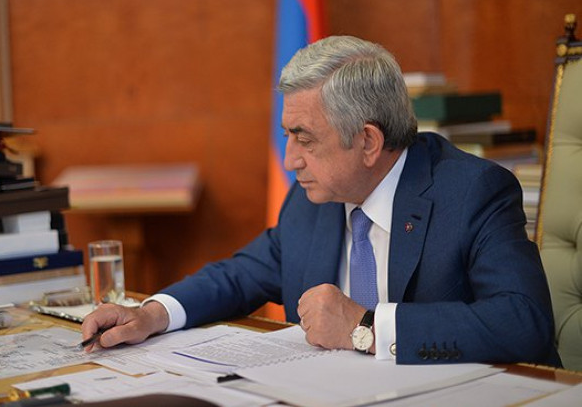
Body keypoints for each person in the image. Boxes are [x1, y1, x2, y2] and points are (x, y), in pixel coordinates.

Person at [82, 35, 560, 366]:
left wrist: (365, 326)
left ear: (368, 142)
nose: (290, 160)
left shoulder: (472, 192)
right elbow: (240, 274)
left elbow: (524, 323)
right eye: (287, 136)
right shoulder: (314, 198)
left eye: (305, 139)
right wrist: (152, 314)